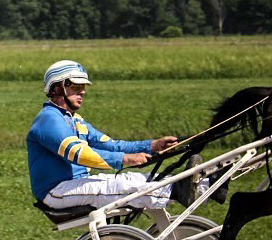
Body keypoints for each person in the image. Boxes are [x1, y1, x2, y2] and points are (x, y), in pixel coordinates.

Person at [27, 60, 203, 211]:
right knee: (122, 186)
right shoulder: (48, 120)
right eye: (76, 86)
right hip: (56, 191)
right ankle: (182, 190)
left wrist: (152, 145)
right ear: (57, 88)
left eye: (83, 87)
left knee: (138, 178)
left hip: (77, 184)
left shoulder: (76, 121)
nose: (83, 92)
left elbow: (112, 145)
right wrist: (125, 159)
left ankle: (208, 185)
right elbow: (78, 153)